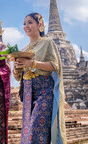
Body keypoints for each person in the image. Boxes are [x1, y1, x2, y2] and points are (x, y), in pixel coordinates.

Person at [13, 13, 66, 144]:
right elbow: (18, 76)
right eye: (24, 23)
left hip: (44, 91)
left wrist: (33, 64)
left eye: (30, 22)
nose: (26, 26)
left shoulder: (47, 42)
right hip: (28, 93)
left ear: (40, 25)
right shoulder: (23, 50)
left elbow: (55, 66)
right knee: (28, 130)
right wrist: (16, 68)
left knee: (37, 130)